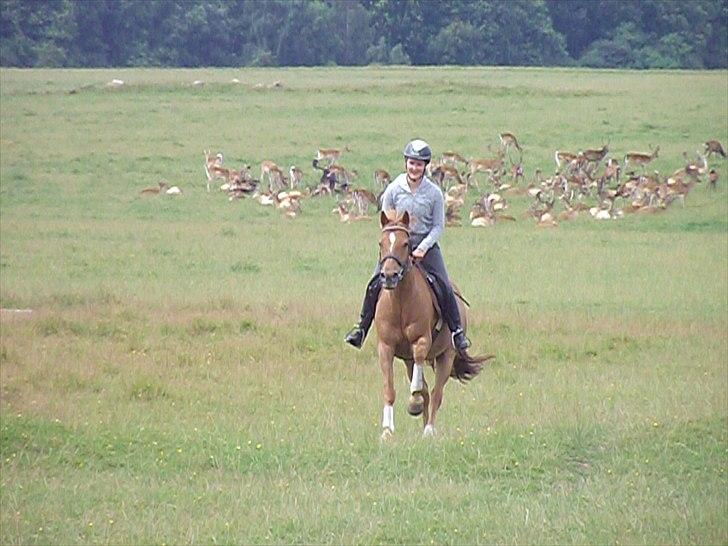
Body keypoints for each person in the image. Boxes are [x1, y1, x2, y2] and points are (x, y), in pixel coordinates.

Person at [344, 139, 471, 351]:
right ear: (406, 163)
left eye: (419, 164)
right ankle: (361, 328)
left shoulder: (434, 193)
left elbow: (438, 226)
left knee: (444, 284)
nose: (415, 168)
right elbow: (385, 221)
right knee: (375, 282)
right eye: (412, 163)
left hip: (425, 245)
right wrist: (391, 247)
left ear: (425, 166)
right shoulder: (394, 189)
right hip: (396, 247)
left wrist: (423, 247)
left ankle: (457, 332)